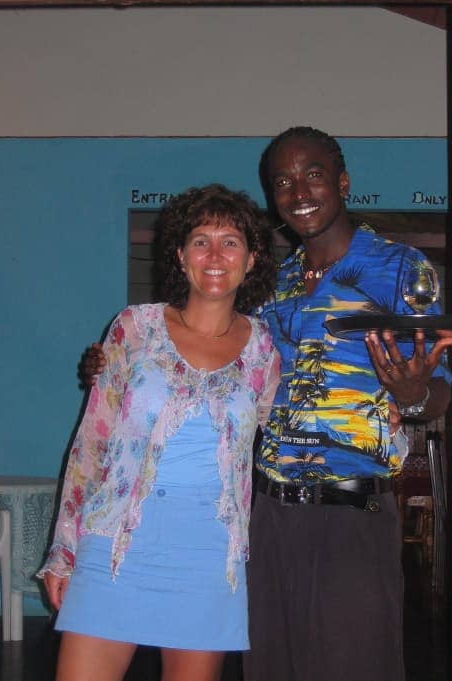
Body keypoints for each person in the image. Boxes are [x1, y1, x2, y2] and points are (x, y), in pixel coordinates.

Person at [82, 127, 452, 681]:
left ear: (343, 182)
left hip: (352, 516)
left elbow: (439, 392)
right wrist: (121, 367)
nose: (298, 190)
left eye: (313, 174)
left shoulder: (400, 268)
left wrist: (414, 394)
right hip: (268, 516)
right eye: (282, 180)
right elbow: (227, 368)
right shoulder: (273, 284)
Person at [38, 183, 280, 681]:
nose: (215, 254)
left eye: (230, 241)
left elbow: (284, 433)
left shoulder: (263, 350)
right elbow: (92, 443)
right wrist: (63, 551)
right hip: (115, 544)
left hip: (208, 554)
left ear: (251, 259)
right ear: (180, 255)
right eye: (200, 240)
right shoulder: (134, 328)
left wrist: (385, 413)